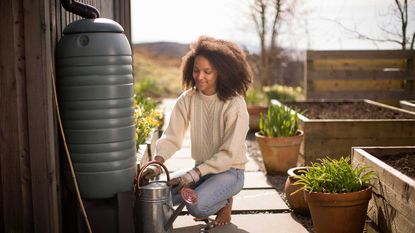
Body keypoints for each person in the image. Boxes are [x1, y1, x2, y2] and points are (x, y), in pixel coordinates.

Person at [141, 35, 253, 226]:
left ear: (220, 72)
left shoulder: (234, 104)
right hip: (201, 169)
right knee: (159, 194)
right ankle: (209, 191)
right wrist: (157, 163)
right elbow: (172, 137)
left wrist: (194, 175)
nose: (200, 76)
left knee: (196, 206)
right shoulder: (188, 99)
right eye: (196, 70)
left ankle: (225, 202)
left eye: (207, 71)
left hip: (231, 172)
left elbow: (228, 154)